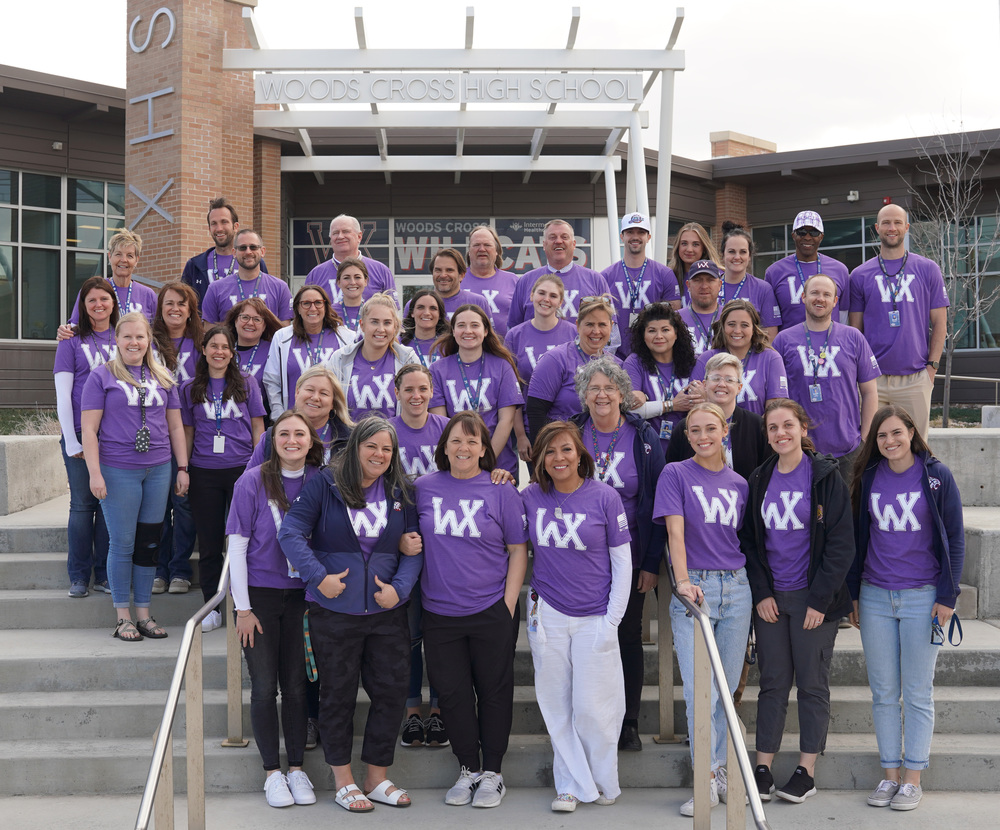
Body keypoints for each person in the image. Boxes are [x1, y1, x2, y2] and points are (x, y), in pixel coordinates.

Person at [278, 417, 423, 813]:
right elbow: (289, 533)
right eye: (372, 446)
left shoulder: (400, 491)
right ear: (356, 446)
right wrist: (319, 578)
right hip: (334, 611)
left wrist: (400, 589)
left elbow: (414, 548)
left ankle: (376, 776)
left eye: (387, 449)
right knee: (337, 695)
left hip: (387, 612)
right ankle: (343, 779)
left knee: (392, 692)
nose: (379, 454)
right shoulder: (324, 485)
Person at [848, 405, 965, 812]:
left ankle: (913, 778)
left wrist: (948, 597)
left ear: (912, 433)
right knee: (883, 692)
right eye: (882, 436)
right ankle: (889, 775)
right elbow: (857, 540)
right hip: (876, 596)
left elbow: (955, 537)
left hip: (923, 597)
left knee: (917, 692)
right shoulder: (868, 478)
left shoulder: (936, 477)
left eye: (896, 433)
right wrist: (854, 595)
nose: (890, 441)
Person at [739, 399, 855, 804]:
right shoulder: (758, 478)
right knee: (771, 684)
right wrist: (762, 593)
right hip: (773, 601)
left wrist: (820, 601)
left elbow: (841, 545)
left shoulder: (826, 477)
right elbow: (750, 544)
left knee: (810, 684)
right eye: (773, 428)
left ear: (803, 428)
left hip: (813, 602)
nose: (780, 433)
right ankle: (763, 767)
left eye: (787, 425)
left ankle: (806, 770)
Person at [415, 412, 529, 809]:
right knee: (452, 693)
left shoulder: (501, 491)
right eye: (456, 441)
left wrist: (508, 603)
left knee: (494, 691)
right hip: (440, 612)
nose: (464, 448)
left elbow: (518, 549)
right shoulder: (423, 488)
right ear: (443, 447)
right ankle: (468, 768)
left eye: (473, 442)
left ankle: (493, 772)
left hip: (491, 609)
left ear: (485, 450)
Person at [522, 421, 632, 811]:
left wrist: (611, 621)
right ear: (539, 458)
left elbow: (622, 563)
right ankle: (568, 785)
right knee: (556, 704)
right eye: (550, 451)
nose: (558, 458)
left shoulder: (604, 497)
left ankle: (602, 782)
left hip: (595, 616)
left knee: (593, 709)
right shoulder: (530, 497)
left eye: (566, 449)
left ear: (580, 453)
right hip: (547, 613)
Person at [653, 402, 753, 816]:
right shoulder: (675, 473)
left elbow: (738, 539)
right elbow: (675, 534)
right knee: (701, 692)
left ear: (724, 430)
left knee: (725, 692)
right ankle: (705, 777)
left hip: (737, 587)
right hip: (696, 587)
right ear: (687, 435)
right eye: (694, 430)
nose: (702, 436)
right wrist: (682, 582)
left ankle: (723, 767)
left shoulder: (740, 483)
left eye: (710, 428)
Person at [227, 410, 325, 808]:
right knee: (265, 687)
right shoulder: (252, 481)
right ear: (272, 439)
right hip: (262, 597)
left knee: (298, 686)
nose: (291, 440)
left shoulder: (321, 480)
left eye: (299, 434)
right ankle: (272, 772)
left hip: (305, 597)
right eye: (283, 433)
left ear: (311, 440)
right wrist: (243, 609)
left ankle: (298, 769)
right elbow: (236, 546)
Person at [568, 359, 666, 753]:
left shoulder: (643, 437)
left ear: (623, 394)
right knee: (581, 640)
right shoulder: (571, 433)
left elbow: (659, 502)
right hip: (577, 558)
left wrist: (650, 563)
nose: (602, 394)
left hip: (629, 555)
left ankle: (626, 722)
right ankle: (584, 718)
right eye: (594, 388)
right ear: (584, 395)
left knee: (625, 637)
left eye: (610, 387)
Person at [80, 312, 188, 642]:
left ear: (148, 341)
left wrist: (182, 467)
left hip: (158, 470)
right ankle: (122, 616)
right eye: (126, 336)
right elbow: (89, 429)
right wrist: (95, 474)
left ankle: (143, 613)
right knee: (123, 543)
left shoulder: (164, 377)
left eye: (139, 337)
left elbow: (175, 427)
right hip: (118, 471)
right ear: (116, 340)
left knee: (149, 544)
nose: (133, 342)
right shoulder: (101, 377)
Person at [181, 325, 266, 632]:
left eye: (225, 347)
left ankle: (245, 602)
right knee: (210, 542)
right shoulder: (190, 387)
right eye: (213, 346)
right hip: (204, 473)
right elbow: (188, 432)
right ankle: (212, 606)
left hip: (243, 471)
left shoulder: (246, 383)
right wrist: (183, 469)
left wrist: (259, 468)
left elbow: (258, 427)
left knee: (245, 540)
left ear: (233, 353)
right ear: (203, 350)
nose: (219, 351)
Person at [389, 364, 450, 747]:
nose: (416, 395)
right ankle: (412, 711)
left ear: (432, 391)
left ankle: (440, 710)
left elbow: (473, 466)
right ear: (396, 391)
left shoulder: (445, 429)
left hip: (444, 542)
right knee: (410, 634)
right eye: (409, 388)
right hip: (401, 541)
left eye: (423, 388)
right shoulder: (385, 431)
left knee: (441, 633)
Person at [848, 204, 948, 437]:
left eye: (897, 223)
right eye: (886, 223)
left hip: (915, 379)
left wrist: (931, 369)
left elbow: (940, 324)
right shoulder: (860, 275)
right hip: (873, 382)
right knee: (871, 449)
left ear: (907, 227)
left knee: (917, 449)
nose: (891, 228)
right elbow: (855, 331)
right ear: (877, 228)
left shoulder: (928, 269)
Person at [773, 274, 881, 486]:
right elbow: (775, 397)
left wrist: (865, 439)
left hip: (847, 449)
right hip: (799, 450)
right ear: (803, 297)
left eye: (826, 294)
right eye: (814, 293)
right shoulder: (783, 340)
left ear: (835, 301)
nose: (819, 299)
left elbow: (870, 392)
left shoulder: (853, 337)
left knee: (847, 514)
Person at [55, 276, 119, 598]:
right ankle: (79, 576)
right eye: (91, 300)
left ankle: (104, 575)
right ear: (83, 305)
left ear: (113, 303)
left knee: (108, 505)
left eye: (104, 299)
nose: (98, 305)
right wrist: (72, 440)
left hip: (115, 437)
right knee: (82, 506)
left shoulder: (124, 339)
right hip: (80, 434)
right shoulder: (71, 340)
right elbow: (62, 394)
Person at [150, 281, 203, 595]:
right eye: (169, 303)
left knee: (183, 504)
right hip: (156, 433)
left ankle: (180, 569)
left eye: (181, 304)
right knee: (158, 507)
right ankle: (159, 569)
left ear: (190, 309)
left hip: (192, 432)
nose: (175, 309)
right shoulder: (150, 343)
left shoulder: (200, 341)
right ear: (160, 307)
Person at [429, 305, 523, 477]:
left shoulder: (502, 367)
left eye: (474, 325)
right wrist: (462, 461)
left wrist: (485, 461)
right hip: (458, 463)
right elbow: (440, 423)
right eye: (461, 325)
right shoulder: (437, 370)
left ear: (486, 330)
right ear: (454, 331)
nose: (468, 331)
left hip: (497, 465)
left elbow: (506, 421)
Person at [526, 295, 622, 441]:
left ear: (611, 326)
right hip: (562, 448)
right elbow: (535, 411)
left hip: (602, 449)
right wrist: (543, 453)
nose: (596, 331)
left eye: (602, 325)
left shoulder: (617, 365)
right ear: (577, 325)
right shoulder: (556, 359)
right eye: (589, 324)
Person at [503, 274, 577, 462]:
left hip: (572, 427)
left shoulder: (573, 333)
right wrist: (520, 435)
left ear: (560, 302)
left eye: (553, 296)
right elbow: (512, 390)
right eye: (541, 293)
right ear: (531, 296)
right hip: (532, 427)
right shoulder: (514, 336)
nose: (546, 299)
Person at [667, 352, 770, 481]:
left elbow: (766, 477)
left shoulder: (756, 426)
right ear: (704, 385)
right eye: (716, 378)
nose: (722, 384)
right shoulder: (686, 426)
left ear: (739, 387)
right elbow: (672, 477)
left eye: (729, 380)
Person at [263, 284, 355, 419]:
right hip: (294, 421)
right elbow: (272, 381)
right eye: (306, 303)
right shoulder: (282, 337)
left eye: (318, 303)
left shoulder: (346, 337)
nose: (313, 308)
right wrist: (279, 416)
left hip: (333, 420)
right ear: (298, 309)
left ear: (325, 306)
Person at [623, 303, 702, 457]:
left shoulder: (695, 362)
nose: (659, 336)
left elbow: (699, 404)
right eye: (652, 330)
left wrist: (651, 404)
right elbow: (632, 410)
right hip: (647, 447)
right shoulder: (634, 362)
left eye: (665, 330)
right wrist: (671, 405)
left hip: (688, 447)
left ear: (676, 332)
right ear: (643, 335)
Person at [601, 213, 681, 357]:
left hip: (654, 355)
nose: (635, 237)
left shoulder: (664, 274)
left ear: (648, 237)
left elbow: (674, 318)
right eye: (630, 232)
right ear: (622, 236)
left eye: (641, 232)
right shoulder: (605, 276)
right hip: (615, 356)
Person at [329, 293, 419, 421]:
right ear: (362, 325)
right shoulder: (340, 358)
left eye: (387, 323)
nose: (381, 329)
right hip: (350, 439)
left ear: (395, 327)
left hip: (394, 439)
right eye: (374, 322)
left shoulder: (408, 359)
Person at [691, 299, 788, 417]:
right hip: (713, 432)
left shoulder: (771, 359)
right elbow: (695, 406)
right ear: (722, 326)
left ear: (754, 328)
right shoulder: (706, 359)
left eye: (744, 325)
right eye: (731, 324)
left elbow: (775, 410)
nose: (737, 331)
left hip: (756, 433)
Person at [507, 219, 611, 328]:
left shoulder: (595, 280)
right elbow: (513, 328)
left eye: (564, 237)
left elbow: (610, 329)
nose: (558, 241)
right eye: (552, 237)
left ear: (574, 244)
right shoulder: (526, 281)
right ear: (544, 244)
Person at [248, 365, 353, 468]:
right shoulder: (270, 438)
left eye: (324, 393)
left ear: (333, 403)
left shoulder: (350, 439)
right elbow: (249, 481)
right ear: (297, 393)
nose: (315, 397)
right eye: (310, 390)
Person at [60, 230, 157, 339]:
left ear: (136, 260)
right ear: (110, 256)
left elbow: (157, 333)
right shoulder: (92, 290)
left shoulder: (148, 295)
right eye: (118, 254)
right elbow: (74, 328)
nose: (123, 260)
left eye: (129, 255)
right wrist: (64, 331)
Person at [764, 211, 850, 329]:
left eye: (814, 232)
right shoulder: (774, 272)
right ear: (793, 235)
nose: (808, 237)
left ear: (821, 236)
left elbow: (843, 315)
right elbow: (770, 319)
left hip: (830, 345)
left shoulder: (839, 270)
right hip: (789, 345)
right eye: (802, 232)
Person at [181, 197, 270, 308]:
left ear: (235, 226)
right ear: (209, 229)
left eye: (224, 222)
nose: (219, 229)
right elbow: (184, 305)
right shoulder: (195, 266)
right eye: (214, 223)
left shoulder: (256, 262)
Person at [201, 229, 293, 324]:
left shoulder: (280, 288)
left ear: (262, 251)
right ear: (234, 252)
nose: (248, 252)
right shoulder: (215, 289)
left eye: (253, 247)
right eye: (242, 248)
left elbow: (285, 331)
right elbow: (209, 331)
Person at [306, 214, 398, 306]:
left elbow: (392, 314)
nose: (340, 236)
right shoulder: (315, 275)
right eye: (335, 233)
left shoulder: (381, 271)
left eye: (346, 232)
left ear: (359, 236)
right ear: (331, 239)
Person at [719, 222, 781, 340]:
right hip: (715, 356)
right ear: (722, 254)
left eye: (743, 252)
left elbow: (770, 338)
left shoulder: (763, 289)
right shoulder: (710, 286)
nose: (737, 257)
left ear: (749, 256)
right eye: (731, 251)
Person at [403, 248, 491, 320]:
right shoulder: (414, 305)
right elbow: (405, 338)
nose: (443, 275)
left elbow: (489, 338)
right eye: (438, 270)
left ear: (461, 275)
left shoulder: (478, 302)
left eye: (449, 270)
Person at [463, 225, 518, 337]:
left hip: (504, 352)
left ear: (497, 251)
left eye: (487, 245)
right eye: (476, 245)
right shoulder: (456, 280)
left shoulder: (513, 281)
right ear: (469, 251)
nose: (482, 249)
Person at [224, 297, 283, 386]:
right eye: (245, 317)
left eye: (257, 319)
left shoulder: (273, 350)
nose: (250, 323)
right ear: (235, 321)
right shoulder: (223, 348)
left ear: (264, 326)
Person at [666, 222, 722, 307]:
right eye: (684, 243)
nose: (689, 249)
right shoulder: (669, 277)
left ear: (703, 248)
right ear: (678, 247)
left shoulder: (719, 276)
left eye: (696, 244)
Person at [678, 259, 724, 355]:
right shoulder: (675, 319)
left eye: (710, 280)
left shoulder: (730, 317)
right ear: (688, 285)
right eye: (697, 280)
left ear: (720, 285)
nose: (704, 286)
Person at [400, 288, 449, 368]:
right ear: (412, 313)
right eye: (420, 307)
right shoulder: (399, 344)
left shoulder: (449, 345)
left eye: (433, 308)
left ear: (440, 314)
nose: (426, 313)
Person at [331, 256, 368, 339]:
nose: (352, 282)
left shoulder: (373, 311)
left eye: (357, 277)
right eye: (346, 278)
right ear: (338, 282)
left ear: (365, 281)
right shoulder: (329, 313)